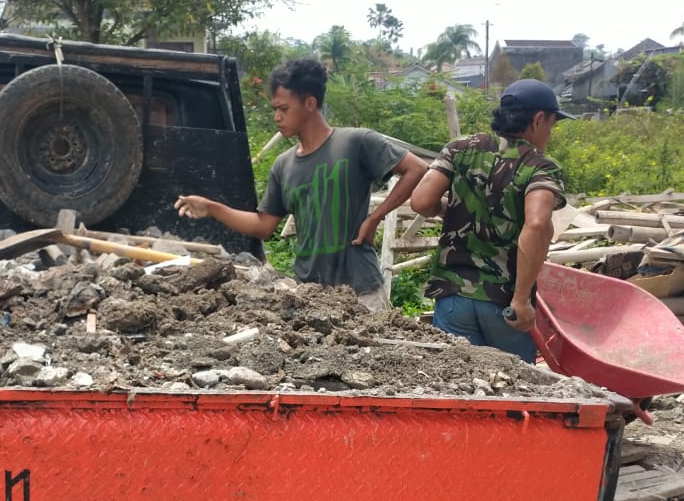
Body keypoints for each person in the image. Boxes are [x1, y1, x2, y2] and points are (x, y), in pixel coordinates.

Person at [174, 58, 428, 312]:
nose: (277, 117)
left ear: (310, 103)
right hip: (310, 294)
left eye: (283, 108)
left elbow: (416, 168)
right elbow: (263, 226)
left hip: (361, 291)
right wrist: (213, 208)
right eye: (274, 109)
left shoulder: (356, 142)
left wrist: (375, 218)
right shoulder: (283, 166)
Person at [409, 78, 573, 362]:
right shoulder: (539, 166)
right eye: (551, 125)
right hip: (504, 305)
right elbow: (536, 225)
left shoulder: (461, 148)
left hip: (453, 297)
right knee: (513, 391)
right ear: (538, 120)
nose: (550, 133)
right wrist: (521, 300)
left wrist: (447, 210)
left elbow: (421, 202)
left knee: (457, 387)